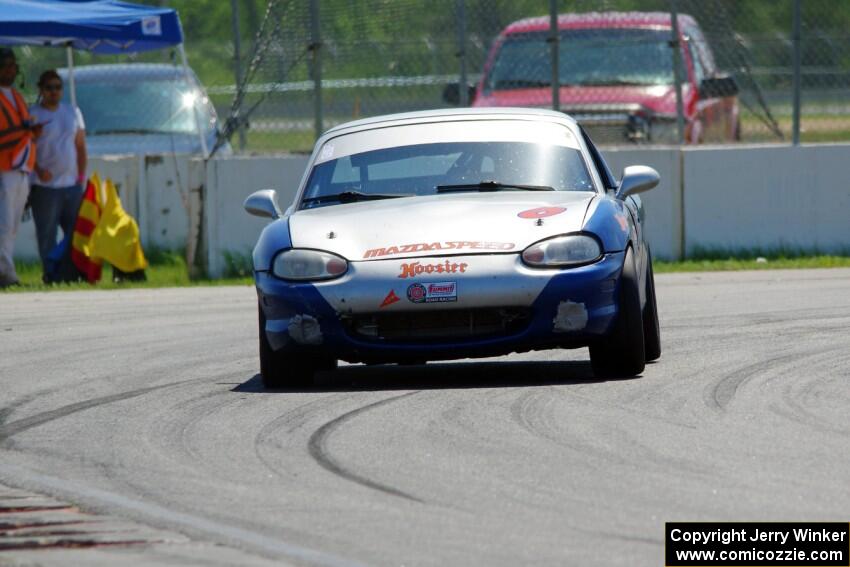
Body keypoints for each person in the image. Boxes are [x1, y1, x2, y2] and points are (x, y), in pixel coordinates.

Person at [28, 69, 87, 280]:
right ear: (41, 90)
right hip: (44, 186)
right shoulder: (33, 114)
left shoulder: (72, 112)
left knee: (75, 232)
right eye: (49, 88)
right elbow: (27, 147)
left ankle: (73, 271)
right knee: (47, 234)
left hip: (71, 184)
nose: (54, 92)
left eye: (58, 87)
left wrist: (80, 178)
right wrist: (37, 169)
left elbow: (80, 146)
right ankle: (51, 274)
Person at [0, 47, 39, 288]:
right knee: (4, 223)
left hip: (22, 168)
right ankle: (6, 274)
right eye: (6, 65)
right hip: (4, 168)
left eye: (13, 65)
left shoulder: (15, 95)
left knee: (12, 226)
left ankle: (6, 270)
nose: (11, 69)